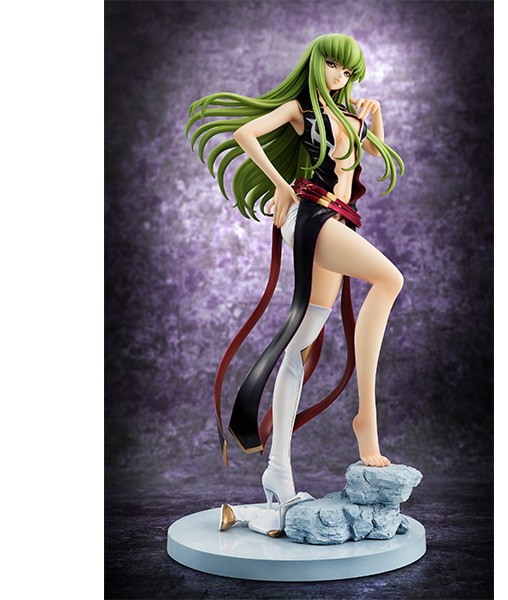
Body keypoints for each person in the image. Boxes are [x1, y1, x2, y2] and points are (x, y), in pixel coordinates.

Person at [186, 33, 405, 534]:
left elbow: (370, 153)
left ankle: (278, 469)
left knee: (301, 345)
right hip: (311, 217)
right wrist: (282, 185)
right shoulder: (301, 111)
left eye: (349, 72)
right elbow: (245, 133)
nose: (340, 77)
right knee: (389, 278)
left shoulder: (349, 115)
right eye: (334, 66)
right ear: (316, 62)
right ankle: (366, 419)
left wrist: (374, 118)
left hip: (339, 220)